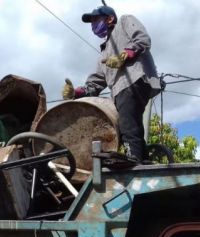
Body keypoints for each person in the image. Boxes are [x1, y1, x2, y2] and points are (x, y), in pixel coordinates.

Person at [62, 4, 161, 163]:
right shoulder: (104, 52)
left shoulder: (124, 21)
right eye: (92, 23)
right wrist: (75, 93)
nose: (94, 26)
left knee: (127, 124)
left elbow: (142, 39)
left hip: (133, 79)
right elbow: (95, 84)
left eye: (96, 20)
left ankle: (133, 159)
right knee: (130, 123)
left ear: (110, 19)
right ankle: (143, 160)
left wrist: (124, 55)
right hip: (120, 90)